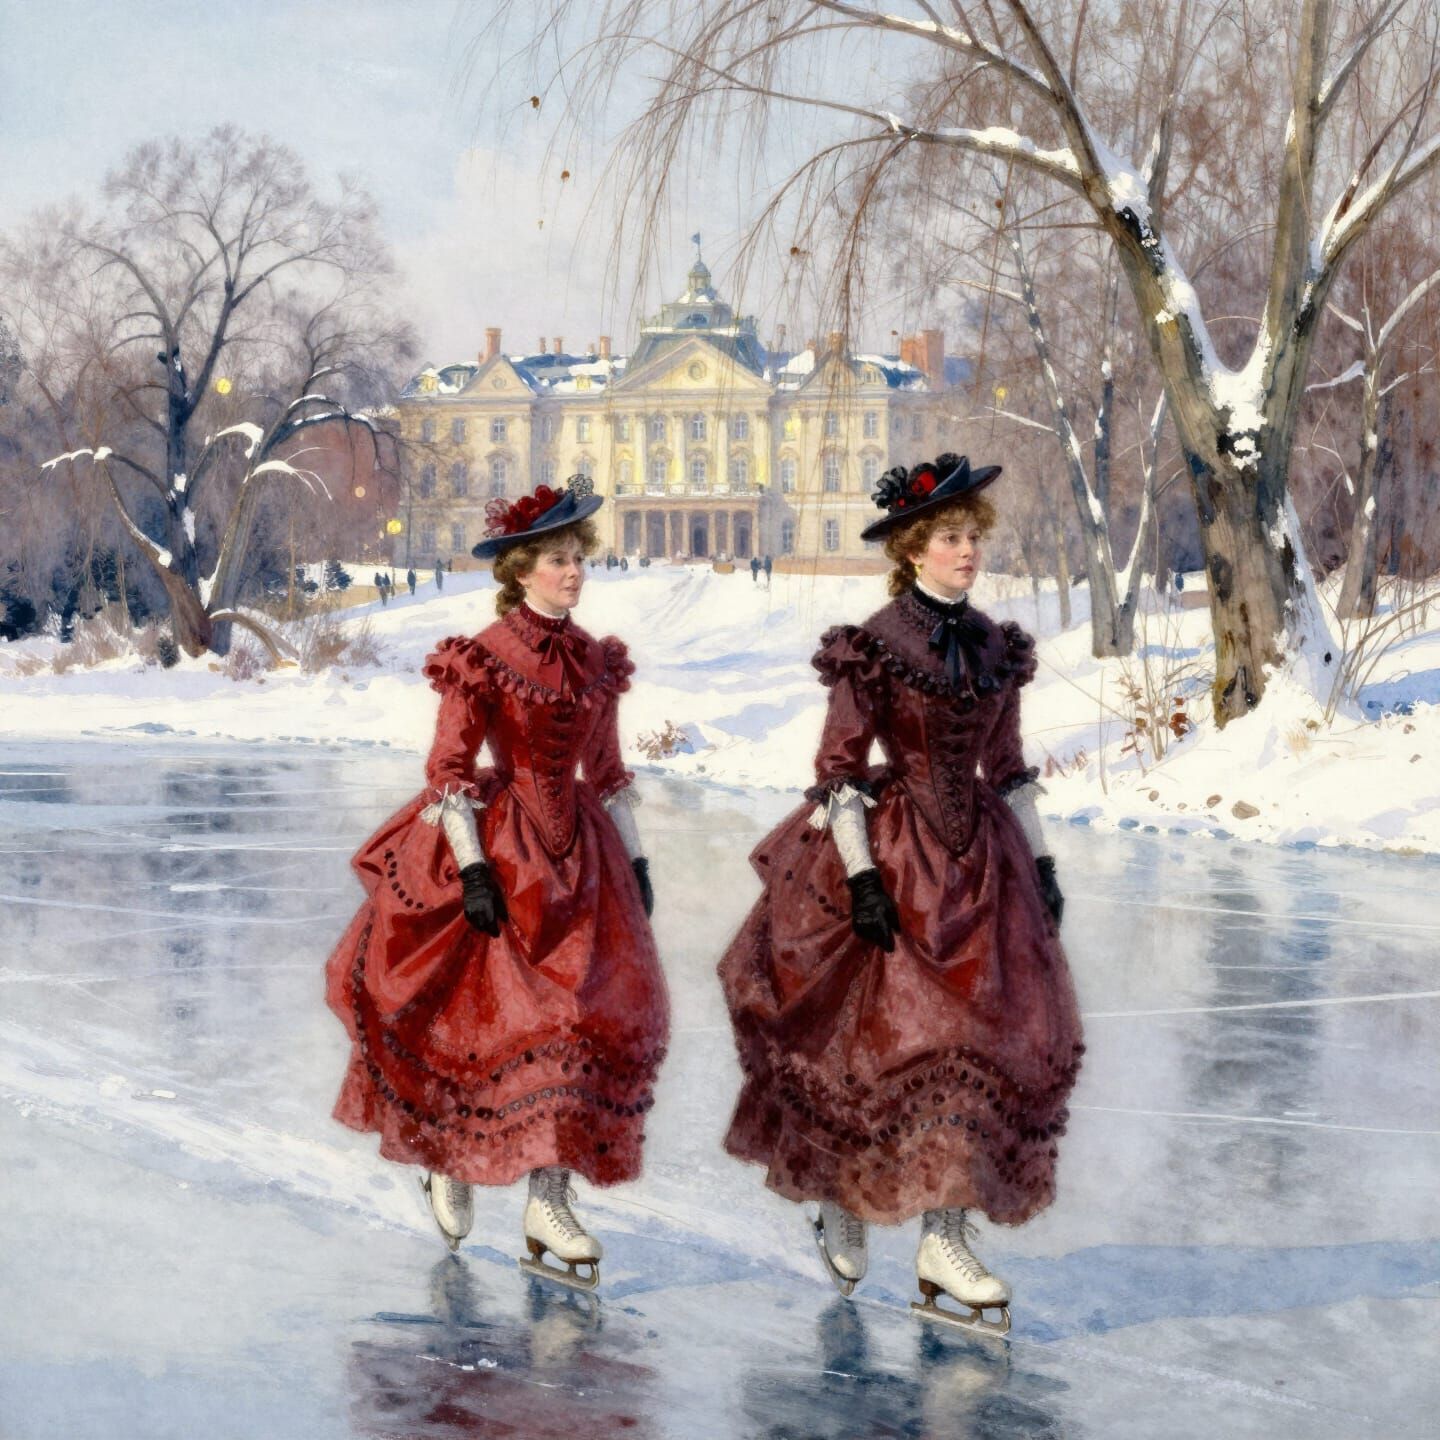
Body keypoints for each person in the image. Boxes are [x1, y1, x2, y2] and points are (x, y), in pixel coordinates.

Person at [717, 454, 1082, 1339]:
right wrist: (862, 879)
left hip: (982, 868)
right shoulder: (873, 644)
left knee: (974, 1045)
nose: (968, 552)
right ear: (914, 549)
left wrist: (1041, 865)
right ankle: (840, 1195)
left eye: (972, 537)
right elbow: (839, 770)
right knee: (869, 1052)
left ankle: (943, 1242)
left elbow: (1009, 768)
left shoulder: (996, 645)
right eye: (951, 538)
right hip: (892, 863)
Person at [326, 476, 669, 1292]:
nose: (575, 572)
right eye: (558, 560)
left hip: (582, 862)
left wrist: (637, 859)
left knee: (578, 1022)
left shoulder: (596, 661)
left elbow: (608, 770)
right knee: (477, 1022)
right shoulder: (481, 657)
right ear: (520, 571)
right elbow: (448, 768)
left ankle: (550, 1202)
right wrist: (474, 868)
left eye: (579, 557)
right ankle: (446, 1154)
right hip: (501, 853)